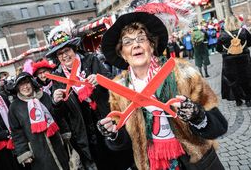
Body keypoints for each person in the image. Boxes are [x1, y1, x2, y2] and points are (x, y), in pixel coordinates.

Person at [97, 12, 228, 170]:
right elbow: (126, 140)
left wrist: (197, 115)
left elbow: (219, 125)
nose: (135, 44)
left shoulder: (183, 73)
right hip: (152, 164)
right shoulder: (119, 88)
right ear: (122, 53)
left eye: (141, 38)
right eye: (127, 42)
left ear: (151, 45)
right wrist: (113, 133)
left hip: (196, 161)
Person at [46, 27, 134, 170]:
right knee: (102, 164)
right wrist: (56, 103)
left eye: (67, 50)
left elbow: (115, 84)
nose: (64, 56)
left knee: (123, 159)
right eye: (60, 53)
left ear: (74, 49)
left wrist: (101, 79)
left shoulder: (91, 61)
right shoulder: (58, 77)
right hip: (86, 132)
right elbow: (59, 115)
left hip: (108, 119)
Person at [8, 72, 69, 170]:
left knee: (64, 165)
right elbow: (16, 132)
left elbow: (57, 117)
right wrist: (23, 152)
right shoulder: (15, 107)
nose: (25, 87)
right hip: (37, 150)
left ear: (32, 83)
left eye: (27, 82)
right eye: (21, 84)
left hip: (56, 142)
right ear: (17, 87)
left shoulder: (44, 96)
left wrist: (65, 133)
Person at [216, 15, 251, 107]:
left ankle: (238, 100)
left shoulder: (222, 34)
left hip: (229, 61)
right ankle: (248, 99)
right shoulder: (244, 31)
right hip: (244, 59)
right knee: (246, 79)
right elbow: (250, 42)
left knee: (232, 80)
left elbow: (218, 48)